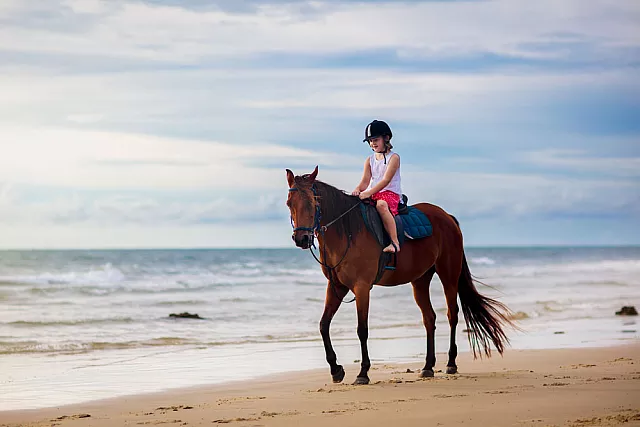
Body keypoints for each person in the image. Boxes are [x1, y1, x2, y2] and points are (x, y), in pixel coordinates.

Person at [351, 120, 402, 253]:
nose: (372, 143)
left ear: (386, 138)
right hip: (373, 192)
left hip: (390, 193)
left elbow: (386, 180)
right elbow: (365, 181)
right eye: (370, 141)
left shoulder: (394, 158)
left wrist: (368, 193)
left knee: (381, 206)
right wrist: (358, 189)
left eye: (375, 139)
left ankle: (395, 242)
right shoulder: (370, 160)